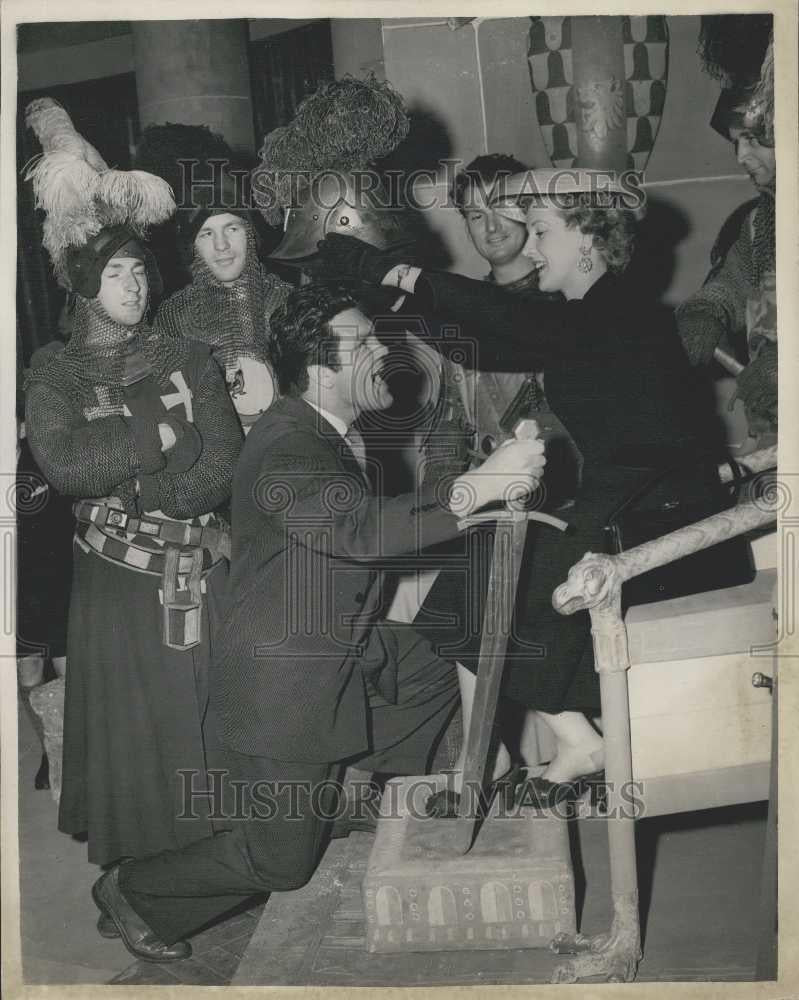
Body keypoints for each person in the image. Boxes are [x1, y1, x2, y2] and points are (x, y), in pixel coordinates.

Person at [89, 281, 545, 962]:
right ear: (321, 368)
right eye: (361, 343)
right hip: (285, 687)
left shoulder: (327, 432)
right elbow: (355, 529)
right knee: (279, 864)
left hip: (339, 651)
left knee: (449, 654)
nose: (382, 353)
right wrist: (478, 488)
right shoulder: (286, 447)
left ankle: (381, 788)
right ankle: (132, 890)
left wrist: (481, 479)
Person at [316, 168, 738, 808]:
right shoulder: (589, 314)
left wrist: (398, 275)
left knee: (484, 577)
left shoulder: (617, 315)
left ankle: (492, 761)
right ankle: (547, 746)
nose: (531, 248)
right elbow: (487, 335)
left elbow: (506, 317)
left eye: (541, 232)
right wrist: (392, 295)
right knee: (473, 569)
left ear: (589, 240)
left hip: (668, 535)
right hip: (630, 513)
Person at [23, 99, 242, 948]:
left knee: (205, 734)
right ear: (85, 283)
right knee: (139, 751)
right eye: (118, 275)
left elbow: (221, 457)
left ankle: (192, 881)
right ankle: (137, 887)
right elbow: (65, 467)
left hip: (196, 567)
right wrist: (156, 434)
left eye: (141, 273)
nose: (137, 285)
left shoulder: (184, 354)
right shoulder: (54, 369)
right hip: (116, 590)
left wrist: (161, 482)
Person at [141, 123, 293, 434]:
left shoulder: (286, 303)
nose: (221, 246)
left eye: (232, 229)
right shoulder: (174, 318)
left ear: (250, 234)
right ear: (192, 247)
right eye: (207, 234)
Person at [676, 32, 776, 440]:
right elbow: (731, 286)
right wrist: (704, 312)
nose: (741, 157)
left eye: (754, 139)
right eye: (736, 142)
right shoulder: (761, 222)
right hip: (776, 429)